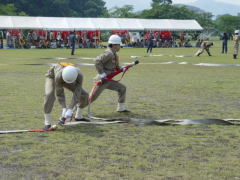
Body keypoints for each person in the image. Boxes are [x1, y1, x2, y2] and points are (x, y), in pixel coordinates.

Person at [43, 63, 89, 130]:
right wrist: (64, 108)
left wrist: (70, 109)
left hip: (70, 79)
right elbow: (60, 93)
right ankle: (47, 123)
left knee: (85, 95)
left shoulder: (79, 75)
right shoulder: (58, 75)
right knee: (49, 95)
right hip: (53, 77)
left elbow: (77, 92)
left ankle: (78, 116)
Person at [90, 34, 130, 113]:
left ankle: (121, 108)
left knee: (122, 88)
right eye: (119, 45)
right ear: (114, 45)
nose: (120, 47)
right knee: (91, 98)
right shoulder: (109, 53)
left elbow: (114, 67)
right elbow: (97, 61)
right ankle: (78, 112)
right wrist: (101, 74)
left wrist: (122, 69)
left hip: (108, 79)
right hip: (102, 80)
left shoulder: (114, 54)